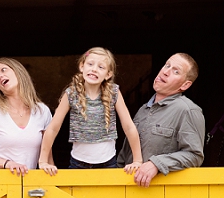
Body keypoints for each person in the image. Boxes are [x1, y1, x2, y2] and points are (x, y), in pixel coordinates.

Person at [37, 47, 143, 174]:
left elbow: (128, 126)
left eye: (101, 67)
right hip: (78, 163)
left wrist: (137, 160)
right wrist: (43, 161)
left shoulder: (114, 93)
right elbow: (53, 128)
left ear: (108, 74)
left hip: (108, 162)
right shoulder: (71, 94)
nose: (94, 69)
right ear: (82, 67)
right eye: (90, 64)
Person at [118, 53, 205, 187]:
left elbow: (194, 156)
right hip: (128, 191)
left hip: (164, 196)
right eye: (167, 65)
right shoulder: (142, 110)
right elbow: (124, 155)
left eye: (176, 71)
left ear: (185, 85)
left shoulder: (187, 110)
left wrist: (157, 164)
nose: (166, 72)